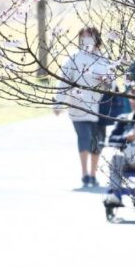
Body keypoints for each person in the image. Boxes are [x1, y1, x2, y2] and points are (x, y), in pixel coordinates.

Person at [53, 26, 113, 187]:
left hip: (100, 108)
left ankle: (93, 174)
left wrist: (106, 81)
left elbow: (112, 85)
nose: (86, 39)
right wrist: (58, 102)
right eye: (83, 36)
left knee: (98, 141)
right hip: (78, 106)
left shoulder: (104, 60)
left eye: (89, 36)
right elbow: (64, 82)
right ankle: (85, 174)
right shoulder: (73, 59)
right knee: (84, 137)